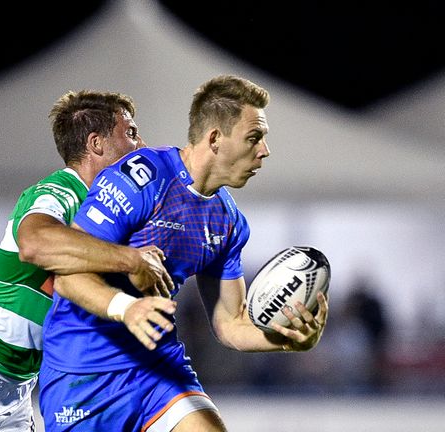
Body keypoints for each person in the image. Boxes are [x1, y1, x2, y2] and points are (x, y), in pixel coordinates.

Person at [39, 75, 330, 432]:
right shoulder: (142, 177)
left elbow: (231, 324)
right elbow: (68, 278)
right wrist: (127, 308)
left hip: (157, 370)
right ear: (215, 140)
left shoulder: (229, 222)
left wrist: (285, 340)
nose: (264, 150)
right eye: (254, 138)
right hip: (83, 373)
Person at [0, 90, 174, 432]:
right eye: (131, 133)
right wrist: (130, 259)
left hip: (18, 390)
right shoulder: (59, 191)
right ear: (96, 143)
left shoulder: (110, 213)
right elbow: (33, 242)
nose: (142, 145)